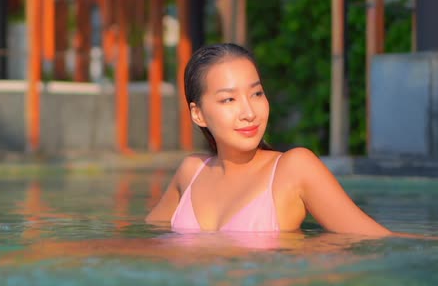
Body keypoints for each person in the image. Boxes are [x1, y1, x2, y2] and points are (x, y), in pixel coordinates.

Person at [145, 43, 407, 237]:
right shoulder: (191, 172)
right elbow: (144, 240)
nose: (249, 113)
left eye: (257, 93)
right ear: (198, 114)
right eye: (229, 99)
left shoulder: (293, 169)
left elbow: (379, 243)